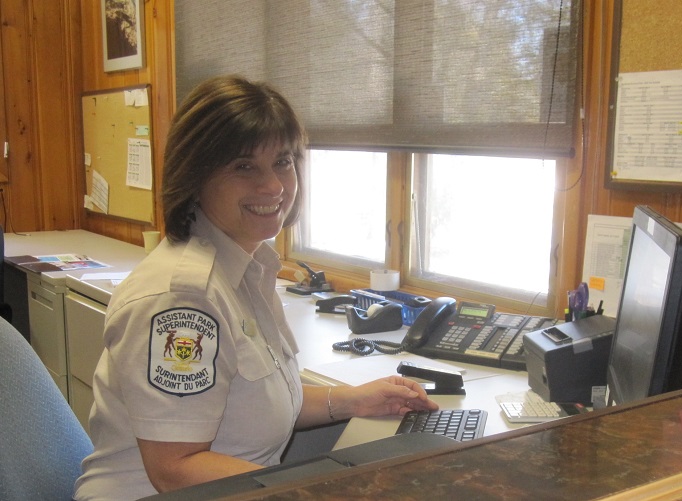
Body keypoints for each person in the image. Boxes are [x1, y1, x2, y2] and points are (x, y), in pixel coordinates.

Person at [73, 75, 437, 500]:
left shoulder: (246, 268)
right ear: (195, 175)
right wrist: (318, 491)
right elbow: (174, 470)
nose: (273, 186)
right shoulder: (182, 300)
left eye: (282, 162)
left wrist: (353, 400)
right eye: (244, 166)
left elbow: (253, 404)